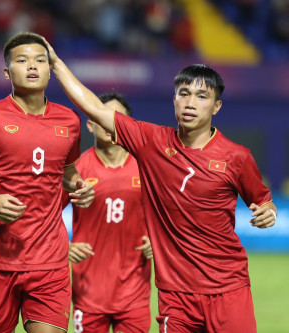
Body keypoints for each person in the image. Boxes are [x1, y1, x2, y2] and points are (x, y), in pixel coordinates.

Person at [45, 39, 277, 333]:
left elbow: (262, 201)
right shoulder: (151, 142)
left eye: (202, 96)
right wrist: (55, 64)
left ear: (216, 106)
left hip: (227, 288)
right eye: (184, 94)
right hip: (175, 296)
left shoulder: (237, 157)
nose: (191, 103)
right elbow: (94, 108)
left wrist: (268, 212)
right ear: (174, 100)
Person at [0, 32, 95, 333]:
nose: (32, 66)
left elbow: (66, 173)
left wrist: (79, 185)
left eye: (40, 60)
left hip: (50, 260)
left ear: (50, 70)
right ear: (7, 71)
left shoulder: (69, 121)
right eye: (23, 60)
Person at [64, 92, 153, 333]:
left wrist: (159, 241)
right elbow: (45, 212)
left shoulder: (148, 170)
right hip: (88, 292)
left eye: (117, 117)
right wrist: (63, 244)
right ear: (91, 124)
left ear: (129, 125)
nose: (109, 122)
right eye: (101, 116)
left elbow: (173, 215)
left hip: (135, 293)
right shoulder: (76, 170)